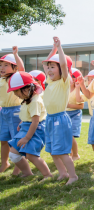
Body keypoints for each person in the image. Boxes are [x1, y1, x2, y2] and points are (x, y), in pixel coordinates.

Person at [42, 37, 78, 185]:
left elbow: (63, 64)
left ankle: (73, 176)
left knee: (62, 151)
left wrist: (60, 48)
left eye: (52, 67)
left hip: (60, 119)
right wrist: (53, 49)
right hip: (49, 119)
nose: (49, 70)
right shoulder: (49, 81)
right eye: (48, 67)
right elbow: (46, 64)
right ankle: (62, 173)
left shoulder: (64, 81)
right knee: (52, 149)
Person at [7, 71, 52, 179]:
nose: (15, 94)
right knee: (13, 154)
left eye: (16, 91)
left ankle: (47, 175)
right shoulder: (27, 99)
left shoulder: (35, 101)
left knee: (31, 155)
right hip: (26, 127)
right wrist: (22, 123)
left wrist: (27, 138)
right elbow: (28, 116)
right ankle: (27, 172)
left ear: (27, 88)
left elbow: (35, 121)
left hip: (36, 130)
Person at [0, 47, 25, 175]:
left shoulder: (15, 78)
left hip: (15, 111)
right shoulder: (1, 79)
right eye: (0, 65)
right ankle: (4, 162)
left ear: (14, 68)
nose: (2, 68)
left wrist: (16, 55)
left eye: (6, 65)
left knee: (16, 139)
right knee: (3, 140)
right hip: (3, 111)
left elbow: (22, 70)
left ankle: (19, 166)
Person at [66, 68, 85, 161]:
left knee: (70, 135)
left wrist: (69, 105)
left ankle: (75, 154)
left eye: (73, 77)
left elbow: (81, 106)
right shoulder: (63, 90)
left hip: (75, 114)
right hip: (65, 114)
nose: (71, 79)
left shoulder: (78, 91)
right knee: (66, 135)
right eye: (70, 76)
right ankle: (71, 154)